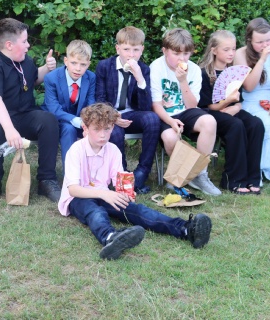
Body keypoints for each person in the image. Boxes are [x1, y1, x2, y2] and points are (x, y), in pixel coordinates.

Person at [58, 103, 212, 260]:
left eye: (107, 129)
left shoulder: (112, 150)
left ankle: (185, 229)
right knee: (96, 212)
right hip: (77, 198)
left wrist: (127, 192)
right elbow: (73, 189)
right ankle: (110, 237)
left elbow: (119, 179)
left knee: (137, 210)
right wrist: (104, 194)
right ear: (85, 128)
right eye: (96, 129)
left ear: (113, 127)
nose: (102, 135)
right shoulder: (76, 150)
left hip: (104, 194)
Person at [0, 18, 60, 203]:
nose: (28, 45)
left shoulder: (25, 61)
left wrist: (46, 68)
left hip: (25, 114)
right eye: (24, 41)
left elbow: (33, 79)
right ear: (9, 45)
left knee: (49, 121)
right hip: (1, 118)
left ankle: (47, 179)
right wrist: (9, 129)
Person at [150, 28, 221, 196]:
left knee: (209, 122)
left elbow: (192, 105)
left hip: (185, 111)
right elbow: (156, 105)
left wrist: (182, 81)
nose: (182, 58)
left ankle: (200, 174)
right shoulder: (156, 67)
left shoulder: (194, 70)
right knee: (170, 137)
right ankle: (181, 175)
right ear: (165, 51)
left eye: (186, 54)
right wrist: (170, 121)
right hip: (164, 114)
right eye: (176, 53)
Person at [95, 26, 160, 194]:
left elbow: (145, 107)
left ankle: (141, 173)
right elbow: (99, 99)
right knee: (115, 132)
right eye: (126, 49)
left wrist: (140, 78)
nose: (131, 55)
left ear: (142, 49)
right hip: (109, 114)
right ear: (118, 49)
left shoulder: (143, 69)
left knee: (152, 119)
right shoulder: (104, 66)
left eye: (136, 50)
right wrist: (113, 117)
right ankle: (122, 176)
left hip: (132, 114)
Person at [199, 30, 264, 194]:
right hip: (212, 113)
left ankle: (253, 177)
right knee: (236, 125)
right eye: (226, 49)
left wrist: (235, 107)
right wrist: (227, 102)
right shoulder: (204, 73)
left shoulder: (234, 72)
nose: (231, 53)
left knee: (256, 124)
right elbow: (209, 106)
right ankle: (232, 179)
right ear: (214, 50)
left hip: (232, 110)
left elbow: (239, 101)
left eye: (233, 49)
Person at [41, 39, 95, 171]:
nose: (78, 68)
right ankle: (70, 175)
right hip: (56, 120)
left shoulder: (91, 77)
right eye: (74, 63)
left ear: (88, 64)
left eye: (83, 64)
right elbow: (53, 109)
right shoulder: (52, 78)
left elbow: (91, 104)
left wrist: (88, 123)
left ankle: (95, 173)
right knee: (69, 129)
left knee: (97, 128)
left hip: (81, 119)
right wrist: (76, 120)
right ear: (66, 61)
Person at [234, 18, 270, 181]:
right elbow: (248, 86)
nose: (265, 45)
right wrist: (262, 60)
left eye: (268, 40)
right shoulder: (241, 54)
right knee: (266, 123)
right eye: (260, 42)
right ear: (249, 40)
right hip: (250, 101)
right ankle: (260, 167)